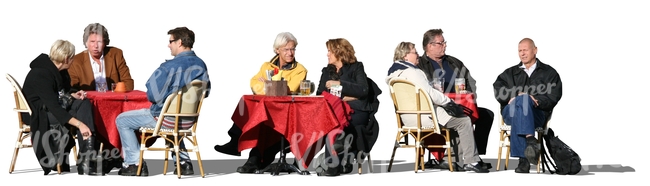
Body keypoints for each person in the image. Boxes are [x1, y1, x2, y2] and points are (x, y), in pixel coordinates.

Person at [115, 27, 211, 176]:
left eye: (170, 41)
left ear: (179, 42)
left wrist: (169, 97)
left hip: (165, 120)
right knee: (175, 114)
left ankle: (133, 163)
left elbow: (152, 95)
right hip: (188, 121)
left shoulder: (168, 67)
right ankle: (183, 162)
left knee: (121, 119)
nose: (169, 45)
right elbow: (206, 92)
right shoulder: (201, 65)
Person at [386, 41, 490, 173]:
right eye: (414, 52)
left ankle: (453, 160)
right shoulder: (413, 72)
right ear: (406, 56)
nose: (417, 54)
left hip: (407, 119)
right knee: (463, 120)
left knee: (458, 118)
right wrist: (448, 102)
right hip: (425, 117)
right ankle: (472, 161)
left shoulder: (394, 75)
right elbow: (430, 93)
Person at [213, 32, 308, 174]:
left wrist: (268, 85)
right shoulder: (266, 66)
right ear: (277, 50)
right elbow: (253, 83)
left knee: (260, 114)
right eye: (286, 49)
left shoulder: (300, 69)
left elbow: (290, 88)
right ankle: (235, 142)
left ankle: (253, 158)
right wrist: (271, 86)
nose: (290, 53)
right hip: (268, 109)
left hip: (285, 111)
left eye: (293, 49)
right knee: (246, 102)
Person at [416, 28, 494, 169]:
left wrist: (469, 94)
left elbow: (470, 81)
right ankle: (464, 157)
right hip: (437, 107)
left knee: (486, 114)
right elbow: (422, 90)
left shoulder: (454, 62)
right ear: (430, 46)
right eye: (441, 43)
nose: (445, 45)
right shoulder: (420, 65)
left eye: (444, 42)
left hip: (460, 103)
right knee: (462, 118)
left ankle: (473, 153)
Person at [22, 40, 97, 175]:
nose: (73, 61)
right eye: (72, 58)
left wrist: (74, 94)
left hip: (52, 106)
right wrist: (80, 124)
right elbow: (54, 108)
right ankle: (88, 156)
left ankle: (86, 158)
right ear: (67, 58)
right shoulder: (41, 74)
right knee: (77, 111)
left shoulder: (60, 71)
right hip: (39, 113)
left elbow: (64, 92)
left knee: (83, 103)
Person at [313, 38, 381, 176]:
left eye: (330, 51)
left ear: (339, 52)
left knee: (337, 124)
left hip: (357, 110)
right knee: (332, 122)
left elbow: (363, 90)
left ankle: (333, 165)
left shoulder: (356, 67)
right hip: (336, 109)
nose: (327, 54)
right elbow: (320, 93)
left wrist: (338, 85)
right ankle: (340, 161)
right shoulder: (327, 70)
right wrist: (345, 96)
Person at [493, 38, 562, 173]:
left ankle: (523, 161)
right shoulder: (509, 73)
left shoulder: (549, 73)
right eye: (520, 51)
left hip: (537, 114)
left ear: (535, 50)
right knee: (521, 101)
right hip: (510, 112)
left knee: (522, 103)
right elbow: (498, 90)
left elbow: (554, 96)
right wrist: (517, 94)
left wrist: (535, 99)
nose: (522, 53)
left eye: (525, 50)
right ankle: (530, 139)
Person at [69, 23, 134, 91]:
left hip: (113, 98)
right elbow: (73, 89)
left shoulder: (116, 54)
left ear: (105, 42)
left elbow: (128, 83)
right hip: (89, 100)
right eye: (92, 41)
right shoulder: (76, 61)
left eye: (99, 42)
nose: (96, 46)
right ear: (86, 43)